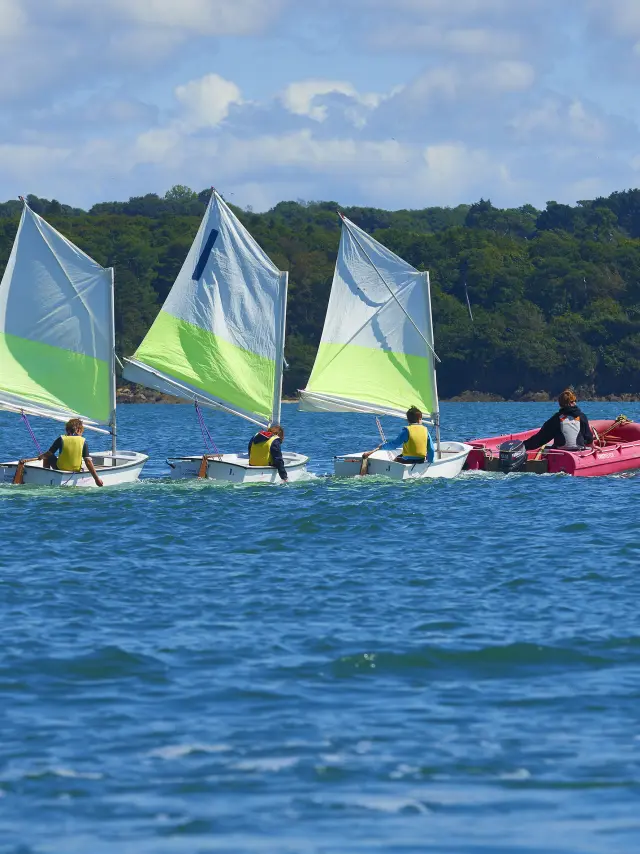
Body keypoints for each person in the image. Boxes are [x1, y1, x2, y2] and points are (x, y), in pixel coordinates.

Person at [40, 418, 104, 486]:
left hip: (60, 468)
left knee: (47, 456)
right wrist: (96, 479)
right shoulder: (83, 441)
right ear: (78, 430)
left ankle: (46, 477)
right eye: (82, 431)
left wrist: (41, 457)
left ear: (67, 430)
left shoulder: (61, 439)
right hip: (75, 470)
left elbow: (48, 454)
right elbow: (88, 462)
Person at [523, 389, 593, 452]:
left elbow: (541, 438)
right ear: (574, 402)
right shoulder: (582, 416)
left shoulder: (556, 419)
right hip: (579, 452)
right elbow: (589, 438)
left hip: (560, 453)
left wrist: (524, 445)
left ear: (560, 404)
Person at [362, 406, 435, 464]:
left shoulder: (407, 431)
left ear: (407, 420)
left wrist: (382, 447)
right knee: (401, 456)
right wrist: (430, 462)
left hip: (407, 461)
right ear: (420, 419)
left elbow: (394, 444)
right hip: (421, 460)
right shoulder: (425, 430)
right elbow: (431, 449)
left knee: (396, 459)